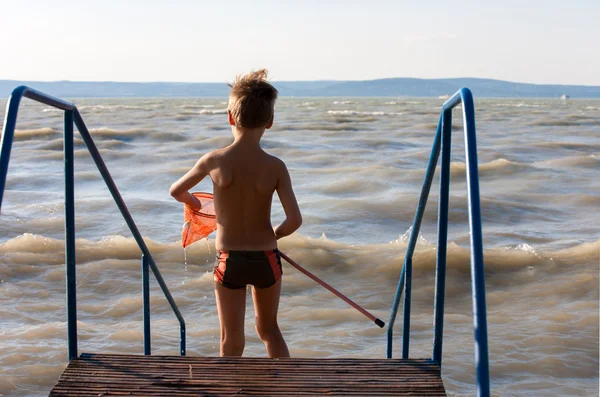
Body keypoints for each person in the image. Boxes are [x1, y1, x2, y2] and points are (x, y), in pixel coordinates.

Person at [170, 69, 302, 358]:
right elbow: (294, 221)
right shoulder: (275, 166)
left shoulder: (214, 160)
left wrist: (198, 206)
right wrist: (274, 235)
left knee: (231, 340)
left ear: (230, 117)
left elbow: (176, 191)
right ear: (270, 122)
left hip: (230, 259)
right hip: (266, 257)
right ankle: (284, 386)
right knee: (269, 330)